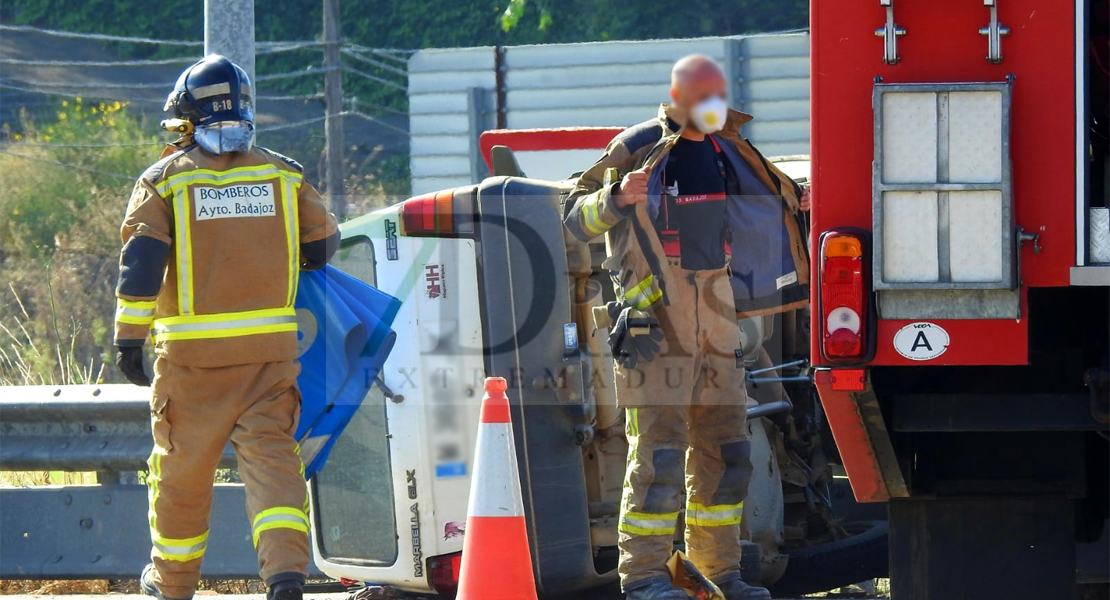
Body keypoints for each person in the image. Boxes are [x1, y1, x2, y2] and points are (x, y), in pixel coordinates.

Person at [563, 55, 809, 600]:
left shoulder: (732, 150)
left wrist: (795, 201)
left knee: (728, 454)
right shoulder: (638, 145)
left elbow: (766, 209)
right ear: (677, 95)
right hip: (657, 328)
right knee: (659, 455)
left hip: (718, 317)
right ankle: (647, 579)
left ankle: (719, 575)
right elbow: (574, 217)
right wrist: (615, 198)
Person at [113, 55, 339, 600]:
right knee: (273, 465)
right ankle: (285, 575)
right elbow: (322, 246)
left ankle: (172, 584)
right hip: (270, 358)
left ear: (186, 120)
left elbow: (141, 265)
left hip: (194, 365)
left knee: (183, 475)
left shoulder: (164, 180)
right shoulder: (282, 174)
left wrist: (129, 338)